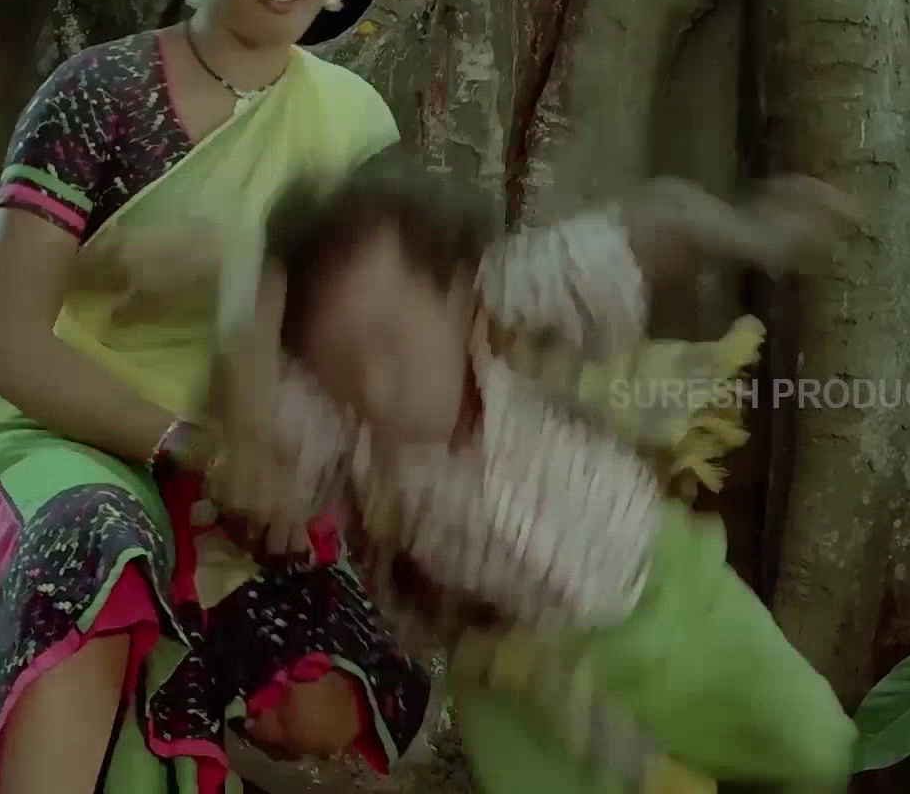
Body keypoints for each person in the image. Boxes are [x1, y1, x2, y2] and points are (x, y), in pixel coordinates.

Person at [0, 0, 433, 794]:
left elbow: (358, 339)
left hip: (246, 453)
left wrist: (292, 460)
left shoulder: (351, 121)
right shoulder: (97, 96)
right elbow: (9, 344)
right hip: (64, 433)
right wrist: (190, 448)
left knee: (321, 702)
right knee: (101, 540)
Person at [200, 152, 861, 794]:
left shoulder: (510, 300)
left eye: (389, 341)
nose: (373, 387)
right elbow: (240, 348)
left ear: (459, 292)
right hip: (521, 684)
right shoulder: (334, 433)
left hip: (661, 592)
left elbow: (647, 228)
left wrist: (748, 230)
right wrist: (251, 449)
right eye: (340, 367)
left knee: (819, 750)